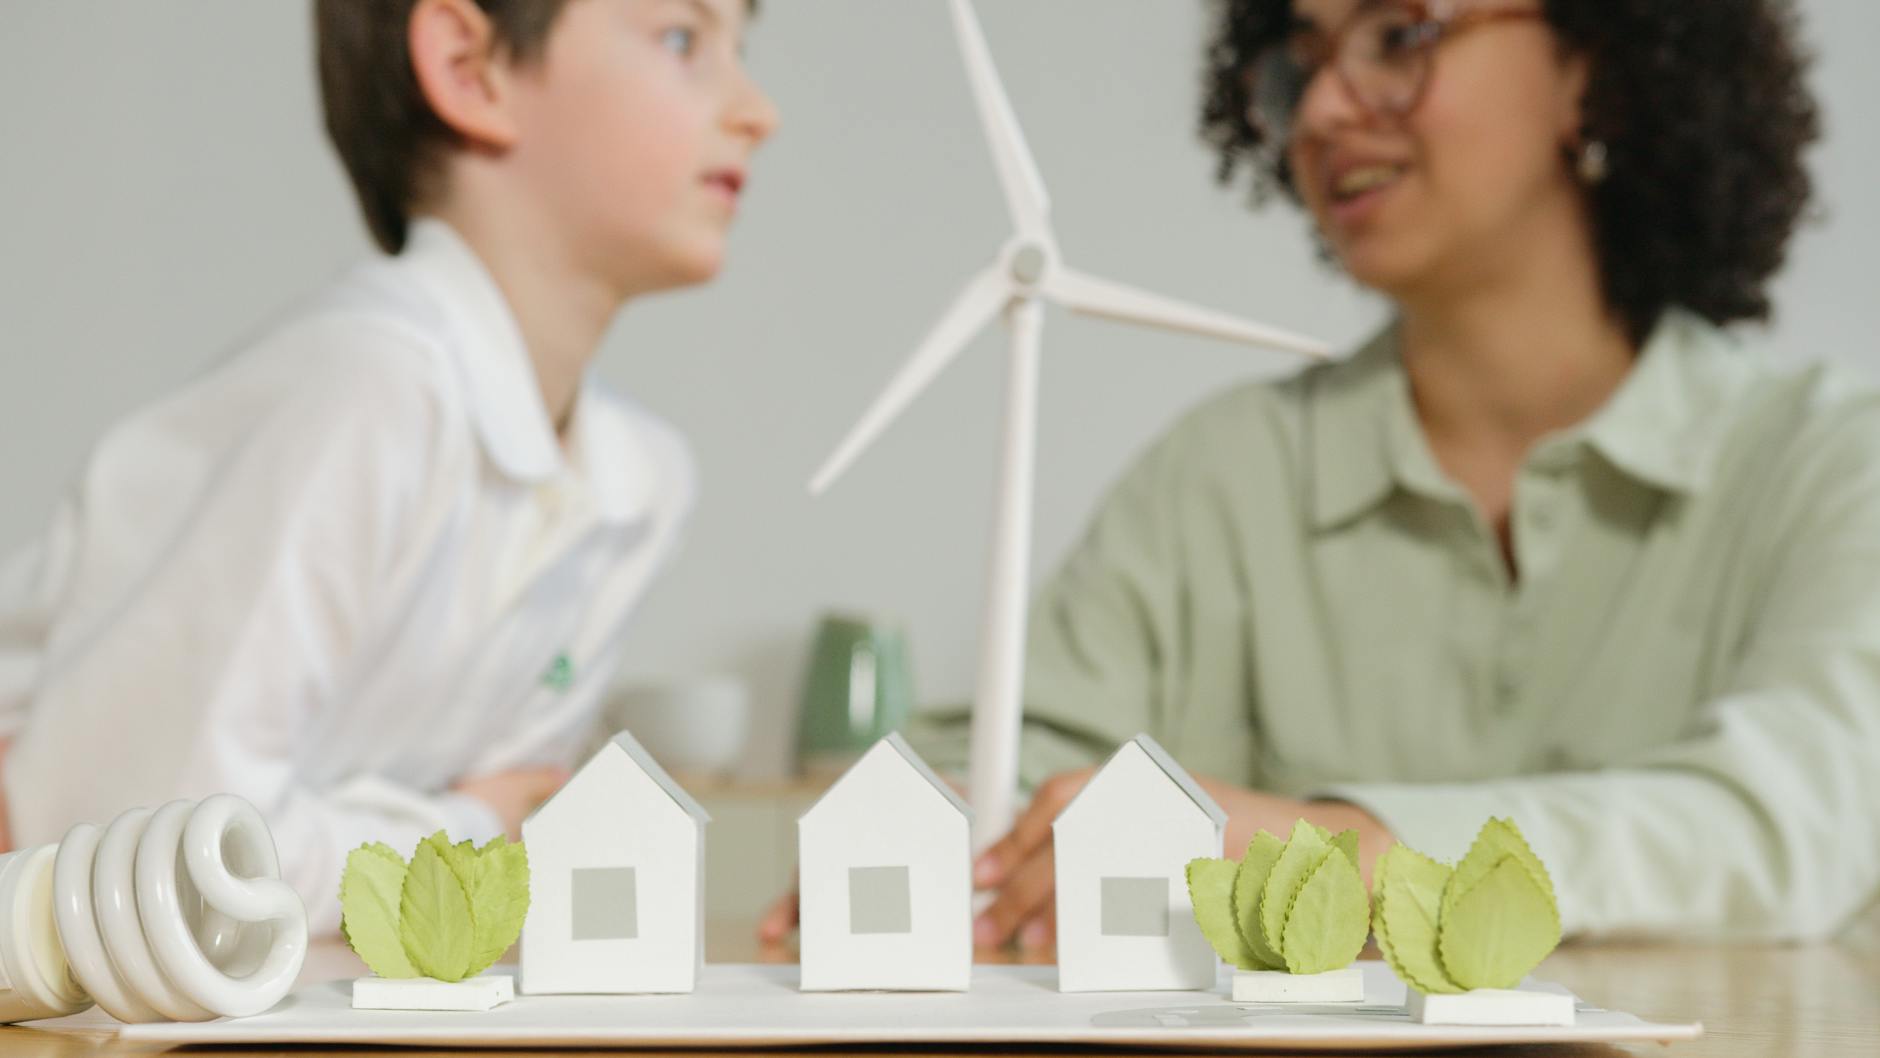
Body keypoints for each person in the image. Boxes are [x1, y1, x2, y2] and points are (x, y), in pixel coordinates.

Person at [763, 0, 1879, 949]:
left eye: (1396, 35)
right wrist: (943, 829)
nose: (1325, 111)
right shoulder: (1223, 475)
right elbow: (1018, 752)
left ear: (1596, 68)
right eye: (1300, 60)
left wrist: (1346, 855)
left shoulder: (1831, 462)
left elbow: (1789, 821)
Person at [0, 0, 777, 933]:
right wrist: (466, 826)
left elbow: (498, 852)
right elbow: (163, 865)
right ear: (468, 67)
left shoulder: (638, 482)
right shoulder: (373, 387)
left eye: (745, 44)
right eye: (684, 40)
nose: (758, 110)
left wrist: (454, 840)